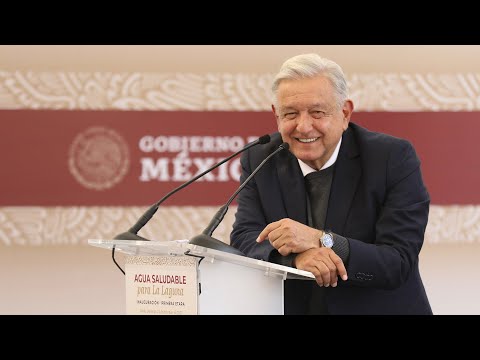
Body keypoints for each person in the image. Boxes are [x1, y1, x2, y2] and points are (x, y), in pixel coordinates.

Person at [230, 53, 432, 315]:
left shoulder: (392, 158)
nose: (303, 127)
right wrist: (295, 259)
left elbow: (397, 261)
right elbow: (245, 236)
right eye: (290, 113)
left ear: (345, 113)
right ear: (276, 115)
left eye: (317, 112)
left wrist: (320, 240)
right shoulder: (261, 157)